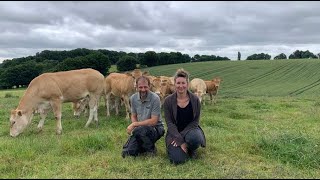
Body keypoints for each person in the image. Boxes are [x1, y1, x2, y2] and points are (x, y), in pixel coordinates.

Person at [163, 68, 206, 164]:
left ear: (187, 84)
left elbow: (195, 122)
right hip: (174, 132)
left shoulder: (195, 100)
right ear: (175, 84)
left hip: (191, 130)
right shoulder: (168, 101)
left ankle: (191, 148)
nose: (181, 86)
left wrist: (181, 139)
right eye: (178, 83)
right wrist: (178, 138)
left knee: (195, 139)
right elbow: (169, 123)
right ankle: (176, 149)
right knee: (178, 160)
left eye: (183, 83)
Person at [122, 75, 165, 158]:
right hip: (140, 128)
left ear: (149, 86)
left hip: (156, 129)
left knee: (141, 130)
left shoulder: (155, 98)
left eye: (145, 87)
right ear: (136, 87)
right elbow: (133, 115)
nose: (143, 90)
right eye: (140, 87)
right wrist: (136, 126)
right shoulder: (133, 98)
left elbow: (154, 121)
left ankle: (151, 150)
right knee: (127, 153)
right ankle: (143, 147)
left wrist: (135, 125)